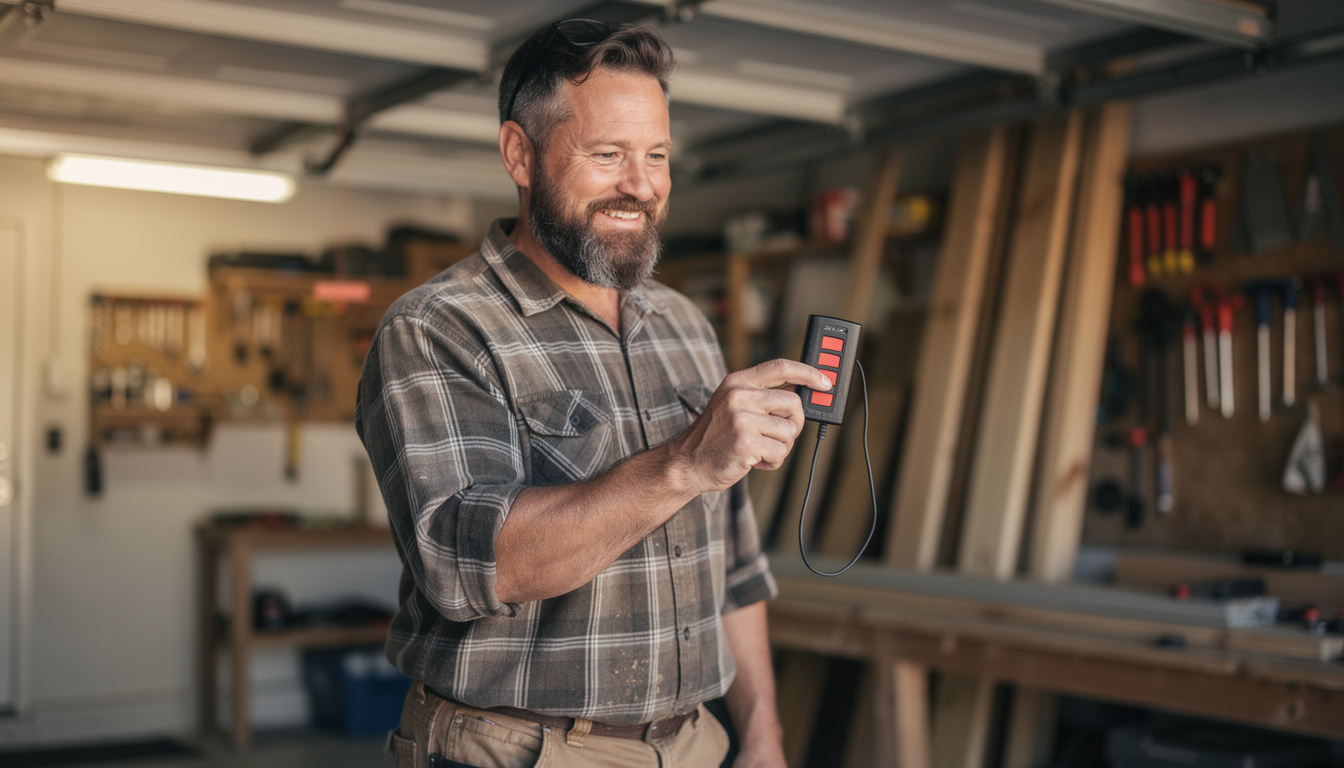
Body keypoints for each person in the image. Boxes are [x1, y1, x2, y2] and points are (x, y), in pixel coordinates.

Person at [356, 19, 831, 768]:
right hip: (522, 748)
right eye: (608, 155)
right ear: (520, 154)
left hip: (693, 743)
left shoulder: (684, 324)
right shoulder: (439, 327)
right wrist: (683, 463)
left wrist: (764, 735)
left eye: (656, 156)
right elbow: (472, 567)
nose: (640, 185)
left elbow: (733, 566)